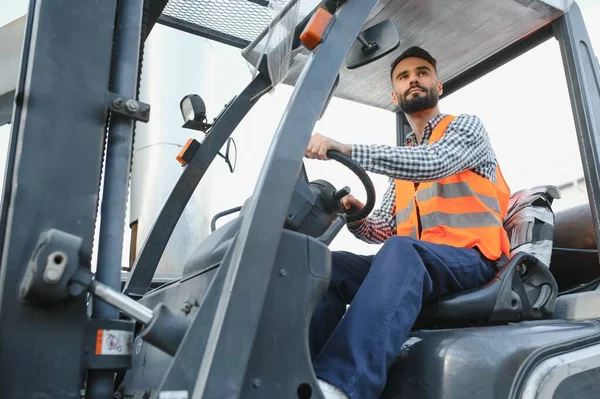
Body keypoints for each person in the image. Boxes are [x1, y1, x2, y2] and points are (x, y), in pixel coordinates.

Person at [305, 46, 511, 399]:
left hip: (474, 260)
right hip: (421, 262)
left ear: (438, 85)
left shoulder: (464, 129)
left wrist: (348, 148)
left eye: (422, 72)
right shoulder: (404, 165)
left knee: (402, 251)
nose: (413, 79)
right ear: (394, 95)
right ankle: (303, 374)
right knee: (326, 266)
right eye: (403, 77)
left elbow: (433, 162)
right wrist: (355, 214)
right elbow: (383, 229)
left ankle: (340, 386)